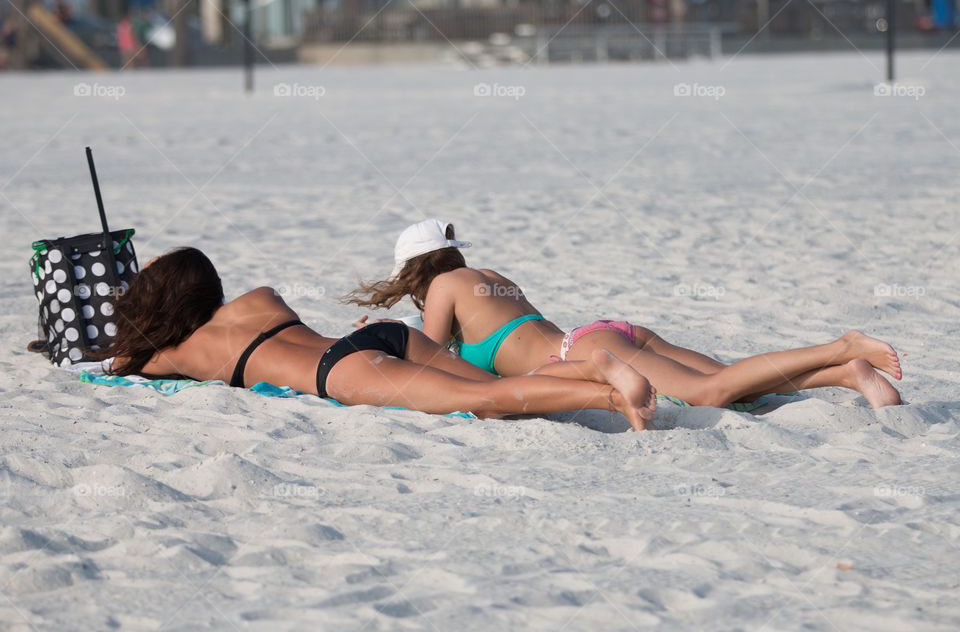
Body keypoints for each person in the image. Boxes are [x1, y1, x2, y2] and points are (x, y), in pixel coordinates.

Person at [346, 220, 903, 410]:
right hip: (607, 333)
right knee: (737, 390)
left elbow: (432, 359)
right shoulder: (488, 276)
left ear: (414, 270)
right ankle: (845, 374)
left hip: (587, 354)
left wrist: (386, 337)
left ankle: (841, 347)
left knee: (711, 393)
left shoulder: (443, 285)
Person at [98, 248, 658, 429]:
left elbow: (123, 359)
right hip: (386, 339)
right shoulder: (261, 298)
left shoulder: (177, 353)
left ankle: (608, 392)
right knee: (499, 385)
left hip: (343, 373)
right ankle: (596, 366)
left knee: (483, 402)